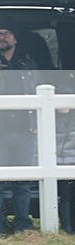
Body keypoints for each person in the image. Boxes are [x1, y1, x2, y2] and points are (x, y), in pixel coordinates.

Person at [0, 20, 39, 235]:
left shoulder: (27, 63)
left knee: (22, 183)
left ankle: (23, 225)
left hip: (25, 130)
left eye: (6, 34)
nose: (2, 37)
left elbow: (37, 91)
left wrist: (34, 124)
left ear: (15, 39)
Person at [55, 84, 75, 234]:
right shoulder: (50, 118)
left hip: (72, 161)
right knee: (65, 196)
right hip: (60, 163)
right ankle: (67, 229)